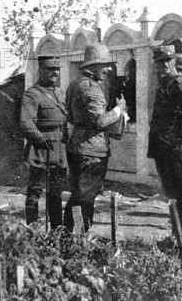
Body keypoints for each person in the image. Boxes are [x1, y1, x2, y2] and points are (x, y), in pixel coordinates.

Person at [64, 43, 126, 233]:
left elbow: (71, 117)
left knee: (78, 195)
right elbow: (99, 121)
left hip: (77, 147)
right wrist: (119, 110)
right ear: (93, 66)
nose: (109, 69)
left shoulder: (75, 84)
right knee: (86, 198)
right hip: (92, 152)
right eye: (104, 65)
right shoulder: (92, 88)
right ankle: (79, 239)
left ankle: (69, 237)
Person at [148, 44, 182, 239]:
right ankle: (175, 230)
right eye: (161, 62)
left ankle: (181, 232)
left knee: (181, 192)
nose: (165, 65)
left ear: (174, 61)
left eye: (168, 61)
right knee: (170, 190)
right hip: (161, 145)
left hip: (175, 147)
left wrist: (176, 143)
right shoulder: (164, 84)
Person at [19, 55, 68, 229]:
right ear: (41, 70)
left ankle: (56, 230)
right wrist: (41, 140)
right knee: (35, 191)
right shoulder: (32, 94)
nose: (54, 73)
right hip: (41, 149)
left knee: (56, 192)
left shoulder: (59, 92)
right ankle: (32, 229)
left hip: (59, 149)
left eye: (56, 69)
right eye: (50, 69)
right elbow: (26, 123)